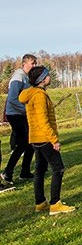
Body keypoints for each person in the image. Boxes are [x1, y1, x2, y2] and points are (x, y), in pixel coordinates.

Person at [18, 66, 75, 215]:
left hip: (35, 138)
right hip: (44, 138)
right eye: (48, 75)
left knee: (40, 170)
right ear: (42, 79)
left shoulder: (31, 94)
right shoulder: (39, 96)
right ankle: (55, 204)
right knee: (58, 169)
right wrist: (54, 140)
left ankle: (40, 202)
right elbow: (43, 121)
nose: (50, 76)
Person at [1, 54, 37, 186]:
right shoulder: (18, 77)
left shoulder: (26, 78)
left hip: (22, 113)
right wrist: (26, 109)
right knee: (23, 143)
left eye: (35, 63)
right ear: (24, 64)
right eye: (32, 63)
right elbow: (12, 99)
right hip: (15, 114)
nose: (34, 66)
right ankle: (8, 171)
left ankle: (25, 171)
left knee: (31, 142)